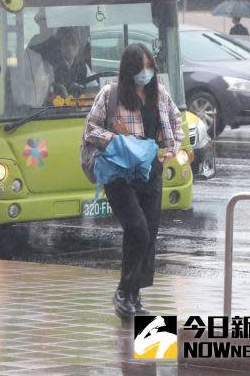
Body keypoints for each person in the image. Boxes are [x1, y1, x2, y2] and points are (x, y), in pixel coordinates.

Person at [83, 43, 183, 317]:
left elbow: (176, 121)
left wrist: (170, 150)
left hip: (150, 172)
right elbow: (90, 129)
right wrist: (120, 142)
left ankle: (132, 297)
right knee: (137, 229)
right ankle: (123, 291)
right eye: (141, 67)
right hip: (119, 173)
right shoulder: (110, 94)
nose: (146, 73)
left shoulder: (159, 94)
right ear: (129, 69)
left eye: (150, 67)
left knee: (147, 236)